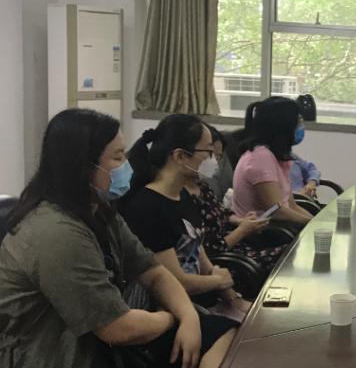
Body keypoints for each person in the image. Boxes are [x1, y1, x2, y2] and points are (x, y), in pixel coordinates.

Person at [0, 109, 325, 368]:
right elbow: (117, 327)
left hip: (95, 360)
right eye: (118, 158)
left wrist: (188, 315)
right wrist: (175, 322)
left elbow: (153, 271)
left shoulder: (96, 212)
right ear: (83, 164)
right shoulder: (55, 232)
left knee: (207, 357)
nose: (128, 167)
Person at [120, 115, 249, 320]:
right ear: (180, 156)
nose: (213, 160)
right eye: (208, 152)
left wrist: (234, 300)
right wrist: (218, 281)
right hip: (169, 311)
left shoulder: (183, 195)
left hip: (202, 302)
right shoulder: (147, 207)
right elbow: (176, 280)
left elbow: (203, 261)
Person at [186, 124, 290, 274]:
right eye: (210, 154)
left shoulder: (202, 186)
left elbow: (222, 212)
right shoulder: (183, 197)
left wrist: (240, 221)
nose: (215, 162)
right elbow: (211, 250)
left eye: (218, 157)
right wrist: (242, 230)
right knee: (290, 257)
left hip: (238, 248)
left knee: (292, 250)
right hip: (227, 261)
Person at [233, 97, 313, 225]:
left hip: (281, 225)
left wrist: (317, 223)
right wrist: (312, 224)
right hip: (266, 231)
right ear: (283, 126)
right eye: (298, 123)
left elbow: (291, 205)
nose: (301, 128)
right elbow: (276, 211)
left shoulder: (276, 155)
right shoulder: (260, 158)